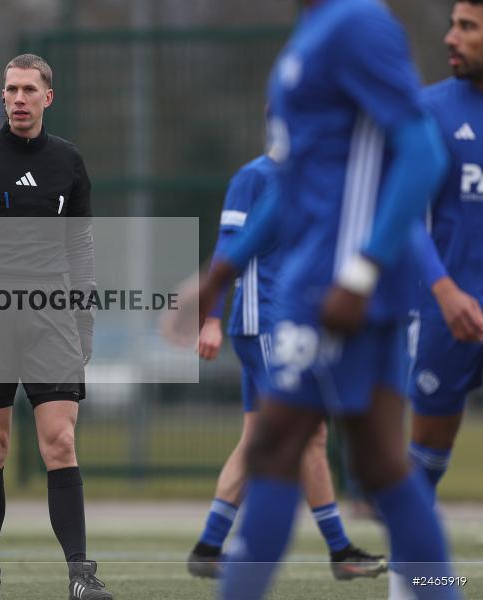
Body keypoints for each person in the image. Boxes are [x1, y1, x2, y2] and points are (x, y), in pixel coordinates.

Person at [186, 1, 457, 598]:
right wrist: (222, 272)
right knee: (379, 463)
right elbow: (293, 184)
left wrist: (362, 272)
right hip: (317, 286)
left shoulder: (357, 24)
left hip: (338, 292)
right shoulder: (311, 36)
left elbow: (422, 154)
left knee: (278, 444)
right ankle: (443, 589)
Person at [0, 54, 113, 600]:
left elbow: (80, 245)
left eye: (28, 90)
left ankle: (81, 577)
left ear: (47, 97)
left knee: (60, 440)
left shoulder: (69, 162)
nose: (17, 98)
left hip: (51, 313)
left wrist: (84, 319)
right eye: (10, 89)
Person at [165, 156, 385, 580]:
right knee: (311, 434)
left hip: (284, 326)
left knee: (257, 438)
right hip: (264, 324)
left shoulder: (315, 174)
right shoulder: (254, 176)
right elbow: (229, 246)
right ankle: (341, 551)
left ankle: (209, 547)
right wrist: (210, 318)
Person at [407, 0, 483, 494]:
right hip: (448, 313)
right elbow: (404, 217)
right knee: (426, 459)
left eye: (468, 27)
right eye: (453, 25)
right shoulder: (430, 111)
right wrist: (445, 291)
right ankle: (419, 576)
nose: (450, 38)